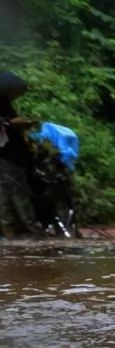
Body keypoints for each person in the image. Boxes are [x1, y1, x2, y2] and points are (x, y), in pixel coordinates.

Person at [0, 71, 42, 239]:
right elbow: (8, 122)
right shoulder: (2, 103)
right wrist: (14, 123)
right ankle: (31, 229)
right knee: (18, 192)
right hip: (7, 154)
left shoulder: (5, 102)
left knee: (5, 193)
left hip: (10, 152)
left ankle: (9, 230)